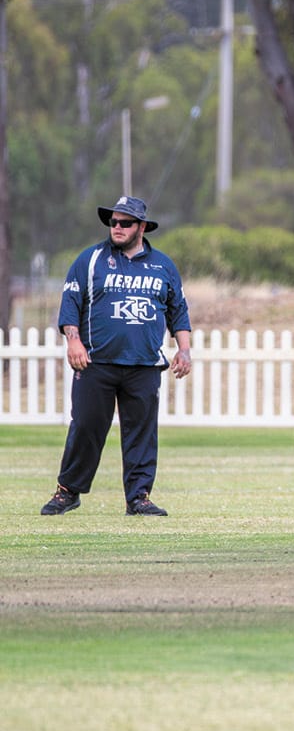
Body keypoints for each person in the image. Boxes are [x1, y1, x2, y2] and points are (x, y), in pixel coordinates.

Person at [42, 196, 193, 517]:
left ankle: (139, 498)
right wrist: (73, 342)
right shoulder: (90, 259)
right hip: (96, 362)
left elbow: (178, 310)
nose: (117, 227)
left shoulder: (163, 265)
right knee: (86, 426)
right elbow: (71, 304)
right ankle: (68, 491)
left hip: (144, 365)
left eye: (125, 223)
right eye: (113, 222)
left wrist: (184, 349)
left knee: (142, 433)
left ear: (141, 227)